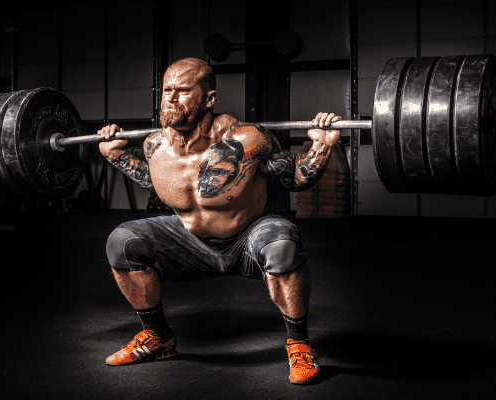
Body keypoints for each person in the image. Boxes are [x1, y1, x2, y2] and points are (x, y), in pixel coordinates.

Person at [97, 57, 341, 385]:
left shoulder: (250, 139)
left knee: (282, 242)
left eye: (182, 91)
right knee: (122, 242)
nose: (170, 98)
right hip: (188, 240)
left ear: (209, 98)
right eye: (167, 90)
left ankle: (298, 344)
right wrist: (117, 156)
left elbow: (294, 177)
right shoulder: (154, 145)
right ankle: (158, 338)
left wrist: (321, 147)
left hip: (246, 236)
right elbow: (154, 180)